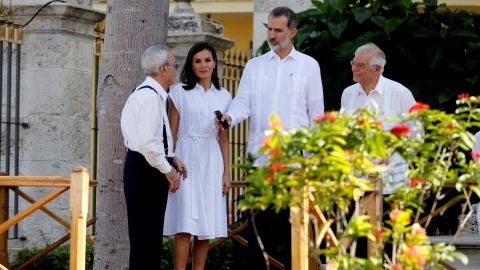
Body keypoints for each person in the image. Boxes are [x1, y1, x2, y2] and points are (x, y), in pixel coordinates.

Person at [221, 6, 324, 269]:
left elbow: (317, 115)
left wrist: (312, 162)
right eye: (269, 29)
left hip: (296, 165)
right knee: (257, 235)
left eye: (279, 30)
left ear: (292, 32)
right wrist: (229, 118)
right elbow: (242, 103)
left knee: (295, 237)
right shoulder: (254, 66)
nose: (272, 35)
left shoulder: (309, 66)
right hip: (261, 163)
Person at [163, 42, 232, 270]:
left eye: (207, 60)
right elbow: (171, 133)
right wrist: (170, 165)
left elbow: (223, 138)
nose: (203, 65)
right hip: (185, 159)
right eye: (197, 61)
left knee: (205, 227)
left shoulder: (224, 95)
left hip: (212, 160)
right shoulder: (179, 92)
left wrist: (226, 173)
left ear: (215, 63)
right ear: (191, 65)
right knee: (184, 226)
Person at [120, 45, 188, 270]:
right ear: (163, 69)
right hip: (146, 169)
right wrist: (168, 170)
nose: (176, 69)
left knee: (147, 239)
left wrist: (172, 157)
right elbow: (149, 143)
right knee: (146, 239)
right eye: (174, 65)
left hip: (144, 165)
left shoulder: (148, 94)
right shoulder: (150, 98)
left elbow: (152, 138)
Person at [341, 42, 416, 194]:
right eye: (353, 63)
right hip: (356, 184)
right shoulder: (347, 93)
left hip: (390, 185)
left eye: (361, 65)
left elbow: (416, 137)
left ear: (377, 69)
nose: (354, 68)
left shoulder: (400, 93)